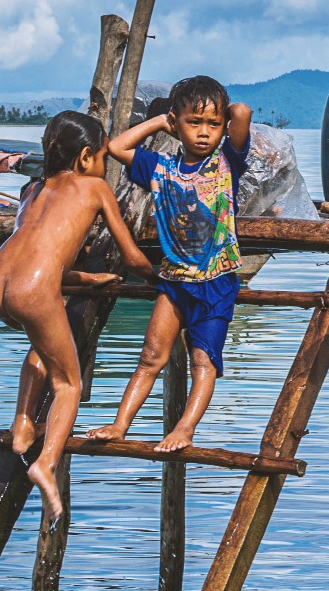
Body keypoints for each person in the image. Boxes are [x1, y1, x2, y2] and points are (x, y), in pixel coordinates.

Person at [0, 110, 154, 512]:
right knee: (68, 384)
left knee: (43, 343)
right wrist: (158, 281)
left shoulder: (33, 190)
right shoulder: (95, 188)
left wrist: (89, 281)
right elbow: (130, 256)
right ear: (86, 157)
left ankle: (23, 425)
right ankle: (46, 463)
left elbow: (35, 258)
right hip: (33, 290)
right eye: (102, 159)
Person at [89, 76, 253, 453]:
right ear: (176, 123)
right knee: (150, 356)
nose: (203, 133)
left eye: (213, 125)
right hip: (174, 279)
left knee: (203, 360)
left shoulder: (226, 161)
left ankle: (185, 429)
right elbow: (116, 146)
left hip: (216, 280)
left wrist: (223, 117)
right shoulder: (160, 168)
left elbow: (242, 113)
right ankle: (119, 424)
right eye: (193, 123)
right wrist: (160, 122)